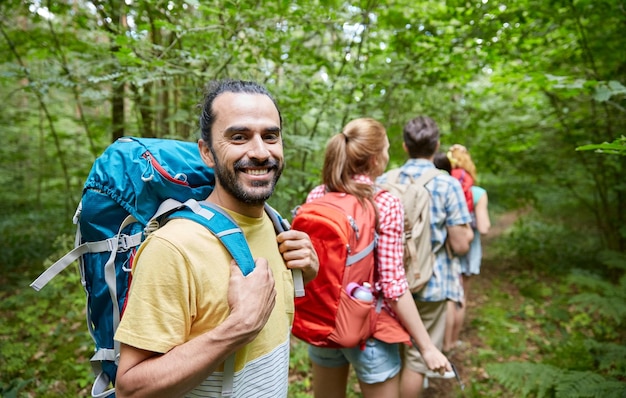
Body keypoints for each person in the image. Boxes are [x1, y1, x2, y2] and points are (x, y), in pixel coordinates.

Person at [113, 79, 319, 397]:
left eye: (270, 136)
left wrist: (308, 271)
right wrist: (238, 328)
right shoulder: (175, 247)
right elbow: (131, 389)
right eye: (239, 137)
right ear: (207, 152)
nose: (261, 152)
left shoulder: (276, 226)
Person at [303, 118, 451, 398]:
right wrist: (427, 347)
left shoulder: (318, 194)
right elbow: (394, 286)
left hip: (323, 323)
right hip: (368, 332)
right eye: (386, 148)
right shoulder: (383, 201)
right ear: (374, 159)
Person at [376, 116, 474, 398]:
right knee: (419, 359)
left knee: (393, 353)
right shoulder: (447, 184)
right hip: (432, 282)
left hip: (389, 283)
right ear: (437, 145)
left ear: (405, 146)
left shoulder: (384, 180)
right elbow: (460, 244)